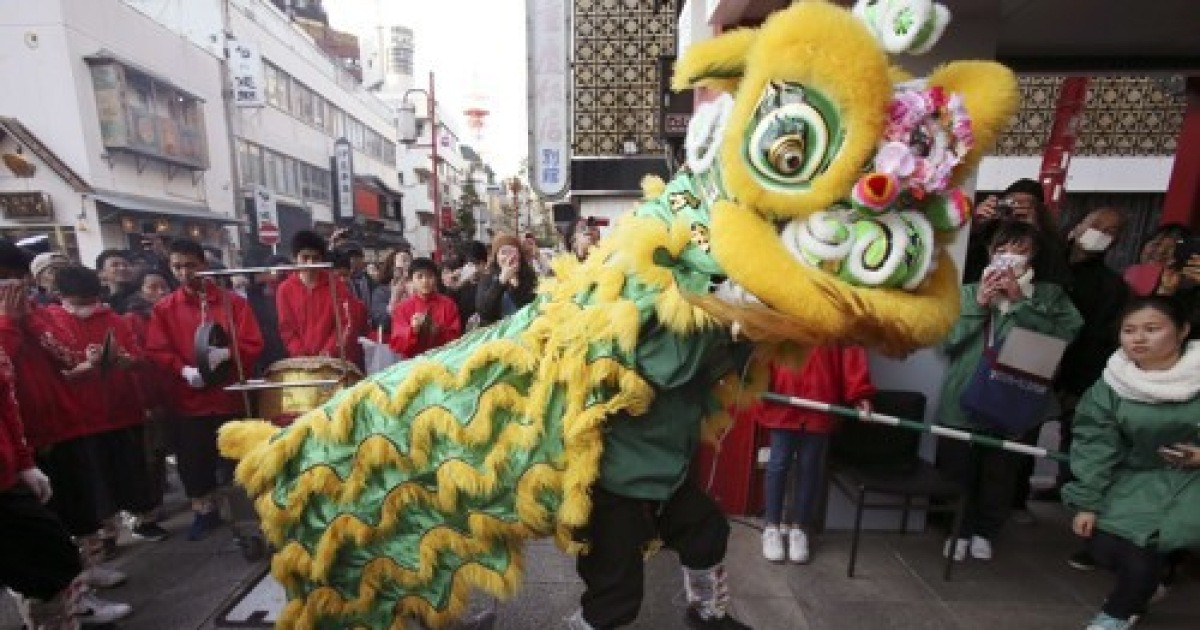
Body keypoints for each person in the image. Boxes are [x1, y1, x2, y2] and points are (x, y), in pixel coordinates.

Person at [936, 221, 1082, 562]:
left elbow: (1065, 336)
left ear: (1033, 257)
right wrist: (979, 306)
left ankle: (987, 530)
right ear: (990, 253)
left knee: (1000, 472)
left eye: (1020, 251)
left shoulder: (1050, 295)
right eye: (1002, 250)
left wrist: (1020, 303)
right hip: (966, 394)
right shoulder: (968, 292)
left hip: (1017, 394)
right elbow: (948, 341)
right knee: (958, 469)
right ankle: (958, 529)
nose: (1009, 257)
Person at [0, 242, 121, 629]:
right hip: (27, 441)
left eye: (18, 279)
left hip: (64, 424)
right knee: (41, 544)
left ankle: (84, 585)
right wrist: (7, 323)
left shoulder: (42, 316)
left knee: (79, 512)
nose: (14, 288)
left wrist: (26, 320)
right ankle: (68, 603)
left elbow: (67, 356)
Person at [1063, 296, 1200, 630]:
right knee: (1107, 544)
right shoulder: (1113, 382)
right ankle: (1152, 583)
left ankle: (1118, 613)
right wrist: (1087, 502)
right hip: (1137, 476)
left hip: (1193, 483)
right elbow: (1095, 443)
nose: (1138, 338)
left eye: (1152, 329)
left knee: (1150, 552)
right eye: (1129, 330)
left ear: (1182, 331)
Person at [144, 238, 263, 541]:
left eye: (190, 265)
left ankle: (248, 510)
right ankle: (204, 511)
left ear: (204, 266)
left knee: (237, 458)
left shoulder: (232, 303)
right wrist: (183, 370)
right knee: (193, 459)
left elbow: (252, 342)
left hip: (229, 395)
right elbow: (157, 349)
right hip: (188, 398)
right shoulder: (164, 309)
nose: (184, 272)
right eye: (177, 266)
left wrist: (228, 355)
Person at [1036, 209, 1129, 565]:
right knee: (1021, 436)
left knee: (1082, 441)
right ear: (1077, 227)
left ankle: (1078, 503)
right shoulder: (1047, 265)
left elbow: (1101, 338)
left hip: (1078, 373)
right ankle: (1014, 501)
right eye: (1097, 226)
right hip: (1028, 362)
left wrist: (1075, 382)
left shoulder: (1112, 285)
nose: (1102, 234)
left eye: (1113, 230)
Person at [755, 346, 875, 564]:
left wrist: (860, 394)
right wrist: (758, 380)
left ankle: (800, 528)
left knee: (809, 467)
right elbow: (767, 339)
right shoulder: (784, 311)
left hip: (820, 395)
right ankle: (771, 527)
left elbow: (849, 347)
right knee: (778, 463)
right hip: (784, 394)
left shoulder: (838, 314)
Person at [276, 231, 368, 368]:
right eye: (305, 257)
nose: (310, 263)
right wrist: (301, 356)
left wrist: (327, 353)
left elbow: (344, 324)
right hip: (300, 363)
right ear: (295, 258)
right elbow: (286, 328)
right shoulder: (284, 289)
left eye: (315, 258)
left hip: (333, 362)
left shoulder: (336, 285)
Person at [964, 178, 1070, 285]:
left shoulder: (1049, 249)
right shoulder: (984, 240)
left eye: (1022, 213)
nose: (1016, 211)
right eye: (1010, 206)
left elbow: (1055, 280)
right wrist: (971, 225)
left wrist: (1031, 229)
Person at [389, 257, 461, 357]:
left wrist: (438, 330)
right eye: (420, 276)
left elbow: (457, 339)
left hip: (443, 360)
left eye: (430, 276)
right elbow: (397, 345)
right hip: (413, 364)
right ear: (411, 280)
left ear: (436, 278)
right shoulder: (402, 308)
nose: (425, 281)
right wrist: (413, 330)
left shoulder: (448, 304)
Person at [475, 234, 538, 326]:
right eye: (504, 252)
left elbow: (532, 310)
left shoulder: (529, 277)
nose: (509, 256)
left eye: (513, 252)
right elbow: (485, 312)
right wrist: (502, 280)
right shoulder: (487, 279)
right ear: (497, 258)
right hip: (497, 336)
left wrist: (515, 285)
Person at [94, 249, 138, 314]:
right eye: (115, 265)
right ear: (101, 273)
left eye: (125, 265)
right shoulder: (97, 302)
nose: (122, 268)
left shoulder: (141, 297)